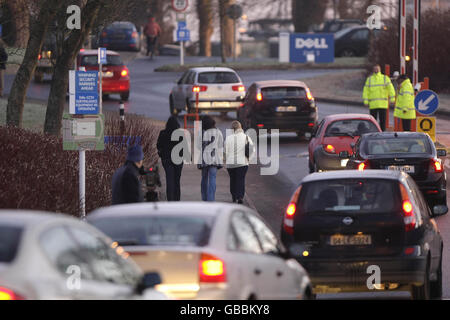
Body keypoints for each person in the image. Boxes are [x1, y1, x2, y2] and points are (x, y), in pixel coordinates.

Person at [224, 121, 254, 204]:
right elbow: (252, 150)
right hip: (242, 163)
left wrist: (226, 160)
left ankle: (233, 196)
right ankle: (240, 197)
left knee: (232, 180)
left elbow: (225, 151)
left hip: (230, 164)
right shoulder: (246, 137)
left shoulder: (228, 138)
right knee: (240, 179)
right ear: (240, 128)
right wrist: (249, 160)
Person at [157, 116, 183, 201]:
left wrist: (161, 154)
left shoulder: (163, 133)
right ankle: (177, 200)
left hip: (166, 159)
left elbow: (158, 146)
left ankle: (170, 200)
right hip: (178, 159)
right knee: (177, 181)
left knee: (169, 180)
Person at [362, 64, 396, 131]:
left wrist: (392, 98)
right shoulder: (369, 79)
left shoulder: (385, 78)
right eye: (375, 68)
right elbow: (366, 91)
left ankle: (382, 133)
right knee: (373, 121)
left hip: (382, 104)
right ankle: (373, 133)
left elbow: (391, 89)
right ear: (373, 70)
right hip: (373, 104)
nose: (376, 70)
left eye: (377, 68)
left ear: (380, 69)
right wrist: (365, 101)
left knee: (382, 121)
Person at [198, 115, 223, 202]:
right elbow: (220, 145)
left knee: (204, 178)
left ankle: (204, 199)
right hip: (214, 159)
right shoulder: (218, 132)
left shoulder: (202, 133)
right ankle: (211, 200)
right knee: (212, 178)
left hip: (204, 159)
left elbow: (198, 146)